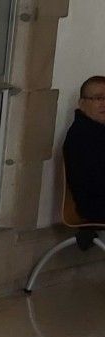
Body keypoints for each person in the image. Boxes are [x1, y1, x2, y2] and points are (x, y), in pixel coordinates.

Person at [63, 75, 105, 229]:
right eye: (98, 98)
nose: (103, 104)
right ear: (82, 103)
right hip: (95, 206)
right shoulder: (82, 136)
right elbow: (94, 180)